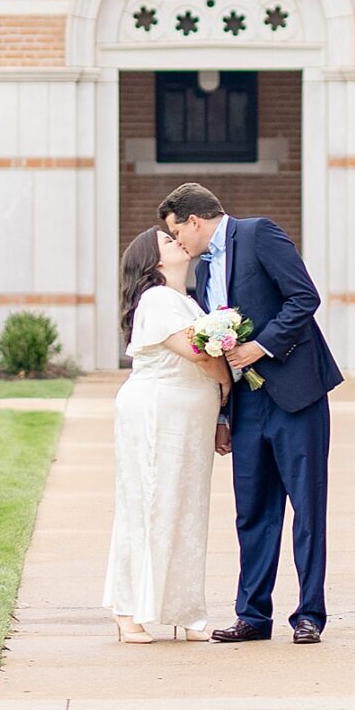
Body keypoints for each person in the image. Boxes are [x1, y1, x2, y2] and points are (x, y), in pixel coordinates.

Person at [159, 182, 342, 645]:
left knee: (306, 509)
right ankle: (253, 616)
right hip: (246, 406)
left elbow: (304, 298)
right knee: (252, 513)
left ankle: (309, 615)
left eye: (176, 232)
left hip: (297, 396)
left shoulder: (259, 234)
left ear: (194, 221)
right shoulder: (203, 273)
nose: (177, 242)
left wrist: (261, 346)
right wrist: (222, 416)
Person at [101, 222, 232, 643]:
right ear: (153, 260)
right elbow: (197, 352)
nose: (176, 241)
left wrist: (218, 413)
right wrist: (227, 382)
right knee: (149, 505)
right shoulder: (156, 299)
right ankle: (128, 610)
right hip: (157, 413)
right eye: (166, 240)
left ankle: (183, 609)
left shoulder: (188, 301)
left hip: (190, 418)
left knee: (186, 512)